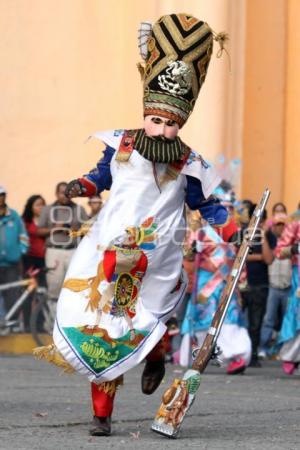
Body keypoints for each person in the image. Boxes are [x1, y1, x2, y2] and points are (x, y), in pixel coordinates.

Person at [36, 14, 229, 436]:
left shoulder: (189, 161)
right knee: (102, 328)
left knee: (144, 320)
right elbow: (100, 177)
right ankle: (101, 416)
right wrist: (80, 184)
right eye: (156, 120)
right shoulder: (120, 143)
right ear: (145, 113)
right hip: (109, 249)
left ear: (182, 122)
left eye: (171, 123)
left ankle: (157, 354)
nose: (162, 129)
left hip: (157, 259)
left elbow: (207, 204)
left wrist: (231, 228)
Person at [179, 216, 251, 375]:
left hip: (226, 285)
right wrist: (192, 249)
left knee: (229, 319)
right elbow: (187, 256)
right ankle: (199, 355)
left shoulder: (233, 233)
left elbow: (240, 259)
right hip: (205, 285)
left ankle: (237, 355)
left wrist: (242, 280)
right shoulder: (199, 233)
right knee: (203, 321)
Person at [38, 182, 89, 301]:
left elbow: (89, 230)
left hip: (73, 251)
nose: (65, 195)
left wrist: (75, 231)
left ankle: (70, 318)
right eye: (62, 192)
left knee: (74, 286)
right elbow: (39, 231)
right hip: (54, 252)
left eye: (67, 192)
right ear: (56, 194)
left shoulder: (79, 209)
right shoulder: (47, 209)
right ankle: (52, 318)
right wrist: (55, 228)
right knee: (54, 287)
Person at [242, 205, 276, 367]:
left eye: (261, 219)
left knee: (256, 323)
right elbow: (239, 256)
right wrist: (258, 257)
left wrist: (262, 236)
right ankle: (239, 353)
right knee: (239, 322)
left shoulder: (268, 235)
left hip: (260, 284)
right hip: (241, 284)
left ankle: (253, 355)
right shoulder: (243, 233)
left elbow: (269, 259)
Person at [259, 214, 292, 358]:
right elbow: (267, 260)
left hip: (288, 287)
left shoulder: (292, 242)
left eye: (283, 224)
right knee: (269, 319)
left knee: (287, 319)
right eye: (278, 224)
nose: (280, 227)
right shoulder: (271, 241)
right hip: (273, 286)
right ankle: (263, 348)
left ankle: (283, 349)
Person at [274, 219, 300, 374]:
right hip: (299, 278)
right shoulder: (295, 226)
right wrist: (294, 249)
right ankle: (290, 356)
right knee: (297, 316)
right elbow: (279, 251)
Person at [0, 185, 29, 323]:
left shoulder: (13, 216)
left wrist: (20, 251)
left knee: (11, 294)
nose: (0, 198)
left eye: (2, 195)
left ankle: (10, 324)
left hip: (11, 263)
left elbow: (23, 236)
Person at [22, 195, 47, 331]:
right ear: (31, 207)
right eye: (38, 204)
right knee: (28, 293)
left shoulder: (47, 221)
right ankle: (26, 325)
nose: (41, 207)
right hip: (29, 261)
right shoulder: (25, 221)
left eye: (43, 204)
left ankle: (39, 325)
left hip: (44, 261)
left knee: (42, 293)